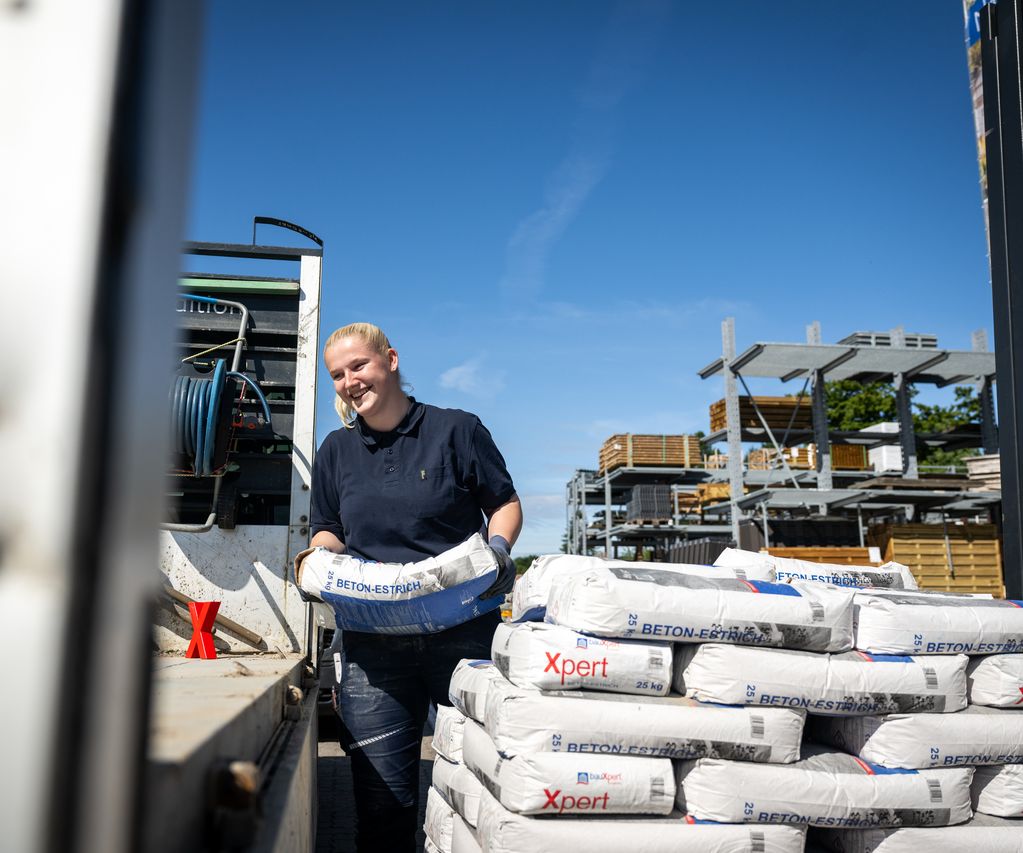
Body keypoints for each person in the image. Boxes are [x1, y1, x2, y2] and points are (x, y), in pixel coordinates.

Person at [307, 322, 521, 851]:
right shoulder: (335, 450)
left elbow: (504, 503)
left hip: (463, 634)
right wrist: (319, 560)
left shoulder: (457, 430)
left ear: (391, 359)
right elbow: (329, 528)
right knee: (383, 807)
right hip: (373, 646)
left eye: (359, 365)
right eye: (337, 375)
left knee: (475, 785)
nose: (350, 381)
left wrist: (497, 550)